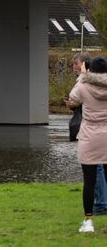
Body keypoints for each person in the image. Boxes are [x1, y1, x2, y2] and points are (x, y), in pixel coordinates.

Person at [67, 56, 107, 233]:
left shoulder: (83, 86)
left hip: (90, 137)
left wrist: (83, 76)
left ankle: (88, 221)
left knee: (89, 182)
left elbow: (73, 96)